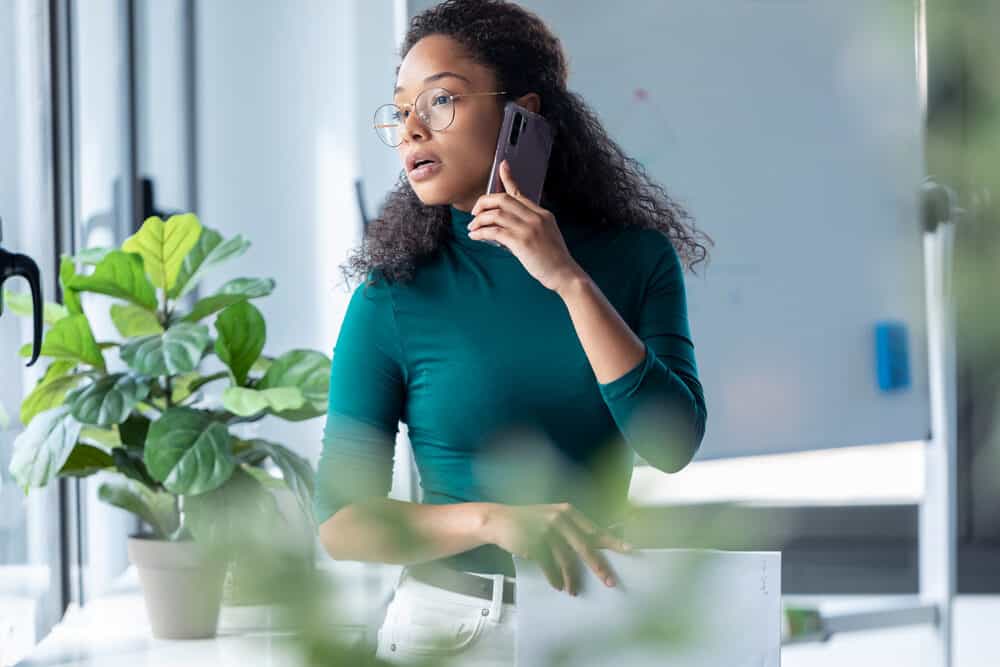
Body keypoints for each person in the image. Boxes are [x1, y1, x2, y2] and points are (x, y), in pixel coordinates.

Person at [313, 1, 712, 664]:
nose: (411, 128)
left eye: (439, 100)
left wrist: (568, 280)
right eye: (400, 109)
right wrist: (496, 517)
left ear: (522, 116)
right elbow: (342, 524)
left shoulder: (637, 260)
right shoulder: (392, 296)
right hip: (453, 628)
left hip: (602, 618)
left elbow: (670, 442)